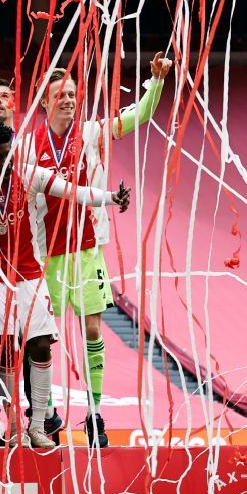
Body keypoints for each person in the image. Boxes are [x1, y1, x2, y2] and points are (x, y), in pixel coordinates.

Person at [0, 121, 131, 448]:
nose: (6, 162)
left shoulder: (28, 175)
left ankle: (38, 425)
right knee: (5, 353)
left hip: (31, 276)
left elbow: (73, 191)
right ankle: (12, 422)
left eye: (9, 155)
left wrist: (112, 198)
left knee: (42, 346)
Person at [25, 54, 172, 447]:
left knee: (92, 329)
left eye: (72, 94)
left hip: (87, 250)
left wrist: (156, 81)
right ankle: (46, 414)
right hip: (44, 253)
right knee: (41, 339)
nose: (68, 100)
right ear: (45, 101)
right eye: (60, 95)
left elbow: (140, 115)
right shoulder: (28, 144)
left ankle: (94, 414)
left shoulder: (92, 132)